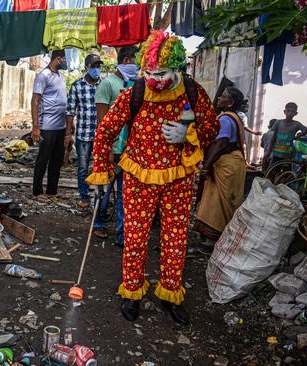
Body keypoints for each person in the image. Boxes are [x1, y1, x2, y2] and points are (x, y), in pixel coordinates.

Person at [86, 31, 219, 324]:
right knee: (135, 238)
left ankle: (169, 293)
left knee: (175, 239)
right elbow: (105, 131)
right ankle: (132, 292)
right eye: (150, 73)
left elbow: (212, 127)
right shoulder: (135, 92)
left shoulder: (192, 92)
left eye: (161, 73)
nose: (155, 80)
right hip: (138, 177)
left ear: (177, 68)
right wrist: (101, 170)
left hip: (179, 179)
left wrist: (189, 133)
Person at [92, 46, 140, 243]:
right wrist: (108, 149)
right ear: (127, 60)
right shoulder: (108, 85)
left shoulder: (136, 86)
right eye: (135, 60)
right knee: (104, 188)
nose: (137, 65)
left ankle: (122, 233)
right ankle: (99, 223)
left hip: (130, 150)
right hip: (113, 148)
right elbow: (102, 122)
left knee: (125, 193)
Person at [194, 87, 248, 250]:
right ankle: (219, 237)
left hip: (226, 164)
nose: (218, 98)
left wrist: (206, 167)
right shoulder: (234, 117)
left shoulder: (225, 119)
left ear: (230, 102)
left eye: (223, 96)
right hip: (232, 163)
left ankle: (214, 238)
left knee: (218, 203)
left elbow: (220, 144)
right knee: (221, 200)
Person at [66, 53, 103, 210]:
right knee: (83, 167)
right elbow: (70, 111)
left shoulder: (104, 85)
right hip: (83, 134)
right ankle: (84, 196)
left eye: (98, 66)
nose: (96, 69)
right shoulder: (77, 86)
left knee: (100, 168)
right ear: (86, 68)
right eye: (93, 66)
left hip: (101, 135)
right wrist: (68, 133)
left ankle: (100, 197)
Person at [31, 50, 68, 202]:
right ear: (57, 59)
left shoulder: (60, 76)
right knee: (43, 159)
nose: (65, 62)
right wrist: (35, 127)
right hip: (47, 126)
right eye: (64, 59)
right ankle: (37, 191)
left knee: (57, 160)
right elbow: (35, 101)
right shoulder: (43, 76)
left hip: (60, 126)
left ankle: (52, 191)